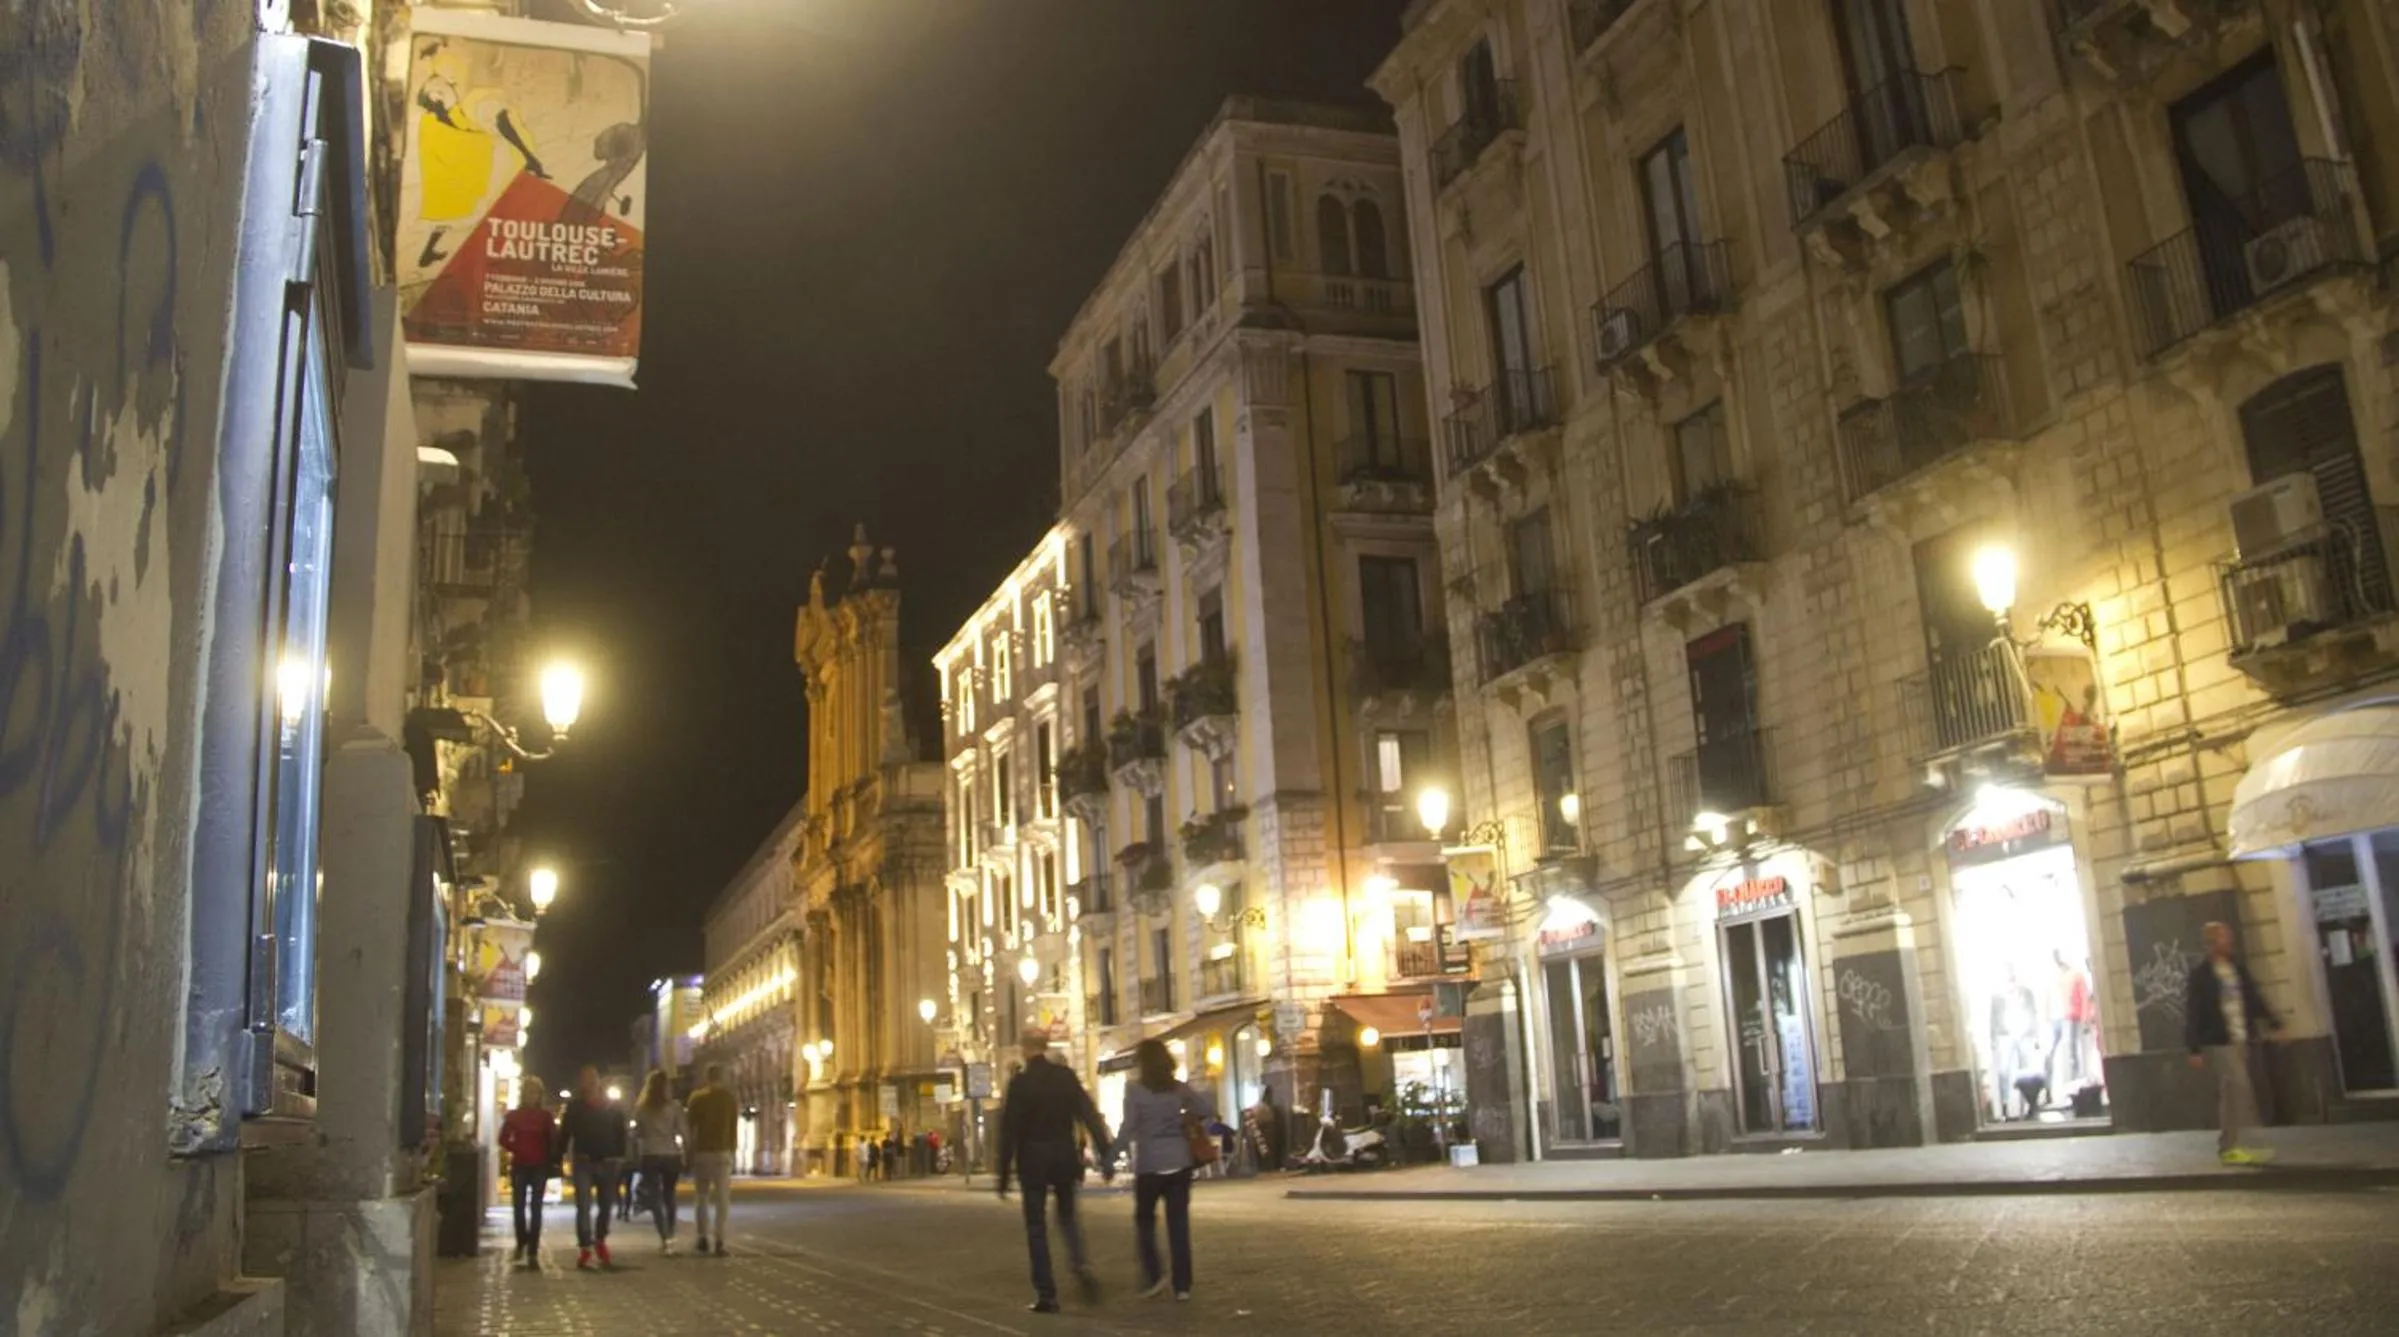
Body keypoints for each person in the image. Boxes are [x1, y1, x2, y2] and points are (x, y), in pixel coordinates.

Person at [996, 1027, 1114, 1314]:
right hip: (1063, 1156)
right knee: (1068, 1216)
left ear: (1025, 1048)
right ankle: (1080, 1263)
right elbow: (1089, 1115)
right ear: (1046, 1046)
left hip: (1032, 1161)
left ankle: (1046, 1294)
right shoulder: (1065, 1077)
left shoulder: (1020, 1084)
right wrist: (1105, 1154)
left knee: (1036, 1226)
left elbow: (1008, 1131)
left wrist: (1003, 1174)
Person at [1120, 1039, 1212, 1301]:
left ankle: (1154, 1275)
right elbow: (1206, 1109)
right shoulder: (1178, 1088)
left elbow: (1128, 1126)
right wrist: (1185, 1118)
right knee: (1178, 1225)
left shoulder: (1134, 1090)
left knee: (1145, 1221)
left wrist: (1111, 1155)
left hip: (1149, 1165)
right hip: (1180, 1162)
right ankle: (1183, 1286)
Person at [2186, 921, 2280, 1165]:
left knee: (2231, 1094)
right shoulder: (2201, 975)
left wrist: (2274, 1023)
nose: (2229, 940)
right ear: (2212, 943)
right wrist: (2193, 1048)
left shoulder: (2236, 969)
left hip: (2241, 1038)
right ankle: (2243, 1144)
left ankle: (2229, 1146)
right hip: (2220, 1041)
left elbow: (2253, 998)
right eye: (2223, 937)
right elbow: (2193, 1012)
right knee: (2240, 1087)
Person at [556, 1066, 629, 1269]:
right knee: (583, 1205)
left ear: (598, 1081)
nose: (589, 1082)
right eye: (585, 1079)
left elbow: (620, 1132)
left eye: (592, 1078)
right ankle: (585, 1246)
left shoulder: (611, 1106)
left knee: (606, 1205)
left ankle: (600, 1239)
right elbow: (565, 1133)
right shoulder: (575, 1107)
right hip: (583, 1161)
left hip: (608, 1161)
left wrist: (621, 1156)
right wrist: (558, 1156)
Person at [497, 1076, 556, 1266]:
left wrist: (549, 1157)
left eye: (535, 1092)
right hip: (520, 1165)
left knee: (536, 1208)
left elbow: (553, 1140)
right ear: (523, 1094)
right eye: (529, 1092)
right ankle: (522, 1240)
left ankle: (532, 1249)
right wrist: (517, 1148)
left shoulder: (545, 1117)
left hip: (539, 1165)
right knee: (519, 1207)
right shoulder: (514, 1116)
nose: (532, 1096)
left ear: (539, 1095)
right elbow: (503, 1138)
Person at [630, 1070, 687, 1254]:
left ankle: (664, 1237)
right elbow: (683, 1131)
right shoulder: (675, 1106)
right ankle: (671, 1233)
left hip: (650, 1155)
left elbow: (634, 1133)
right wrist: (686, 1152)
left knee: (655, 1197)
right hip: (671, 1154)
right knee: (669, 1195)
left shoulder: (642, 1108)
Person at [684, 1063, 738, 1257]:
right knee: (722, 1199)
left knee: (701, 1196)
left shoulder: (696, 1098)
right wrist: (732, 1151)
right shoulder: (729, 1099)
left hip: (702, 1152)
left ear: (707, 1077)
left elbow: (689, 1127)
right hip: (722, 1152)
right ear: (722, 1077)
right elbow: (733, 1128)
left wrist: (689, 1152)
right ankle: (720, 1240)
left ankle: (702, 1238)